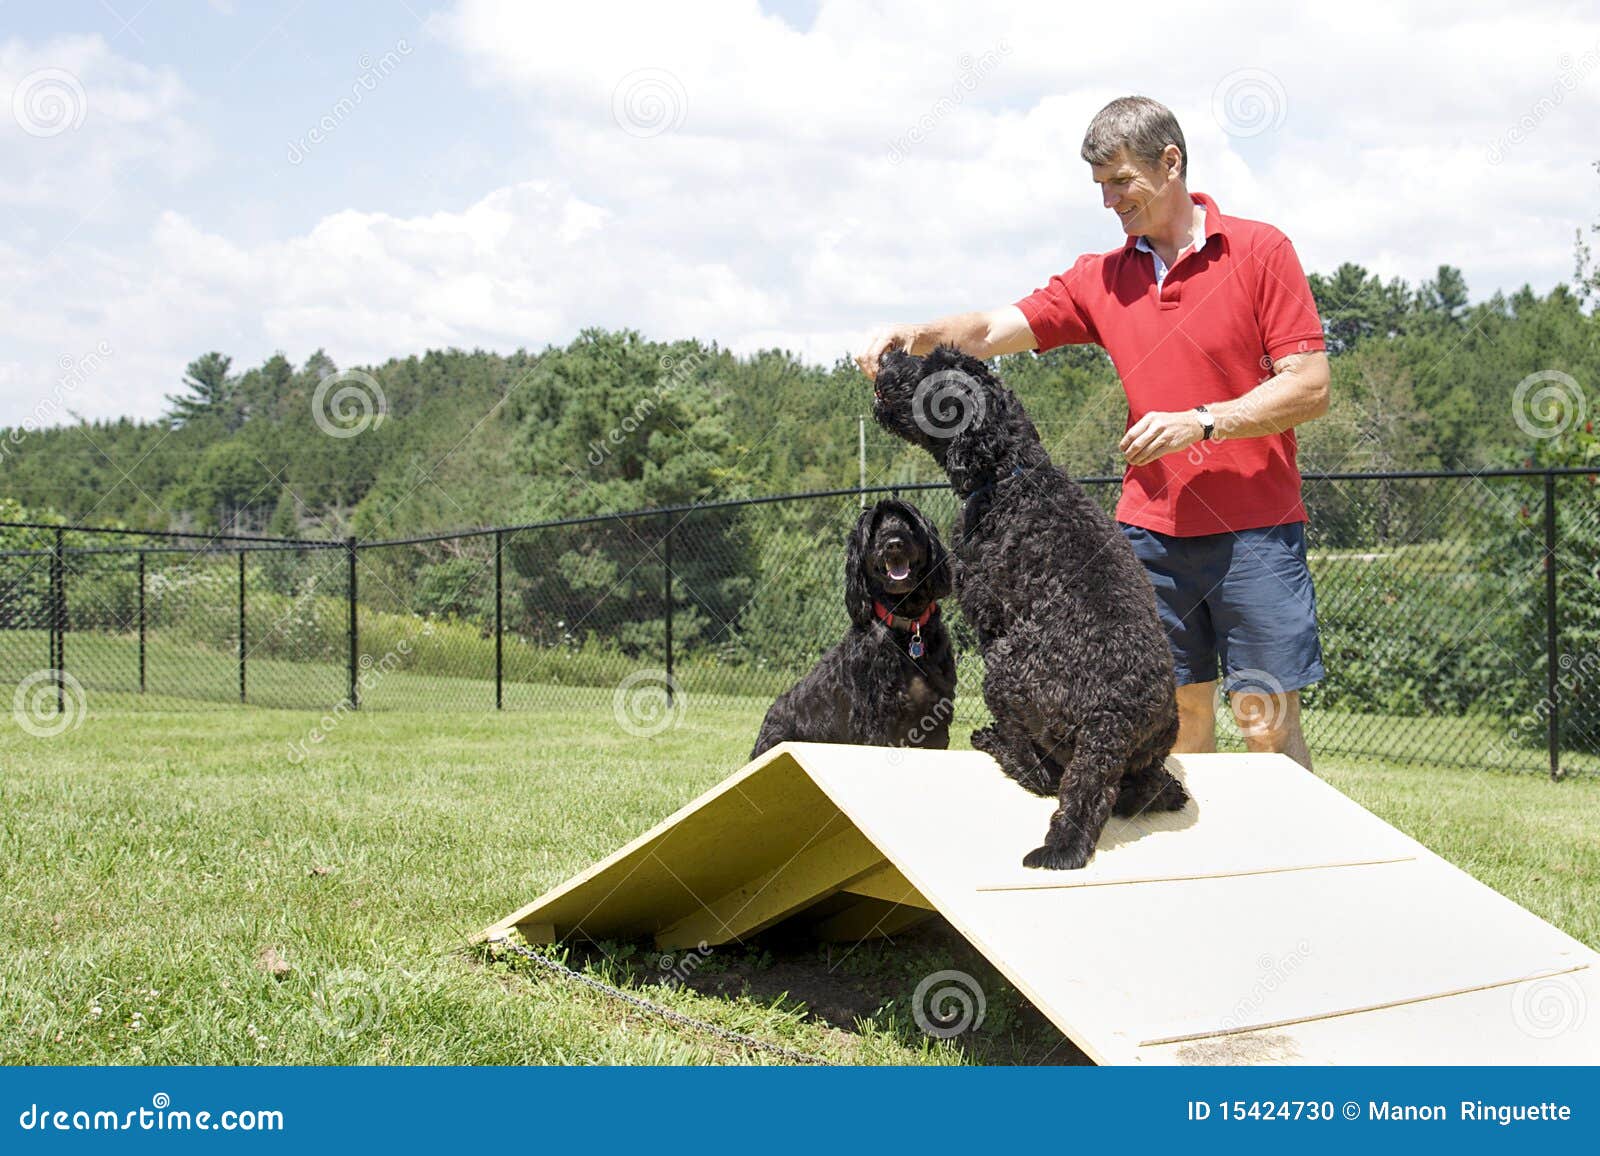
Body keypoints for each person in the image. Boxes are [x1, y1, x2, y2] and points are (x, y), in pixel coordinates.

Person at [857, 95, 1330, 770]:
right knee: (1179, 717)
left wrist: (1201, 421)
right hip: (1150, 534)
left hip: (1256, 529)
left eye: (1121, 182)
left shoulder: (1259, 250)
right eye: (1100, 187)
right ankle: (1193, 872)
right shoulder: (1103, 278)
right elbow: (993, 330)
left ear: (1171, 163)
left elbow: (1310, 385)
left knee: (1264, 723)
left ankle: (1292, 869)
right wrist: (916, 334)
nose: (1109, 200)